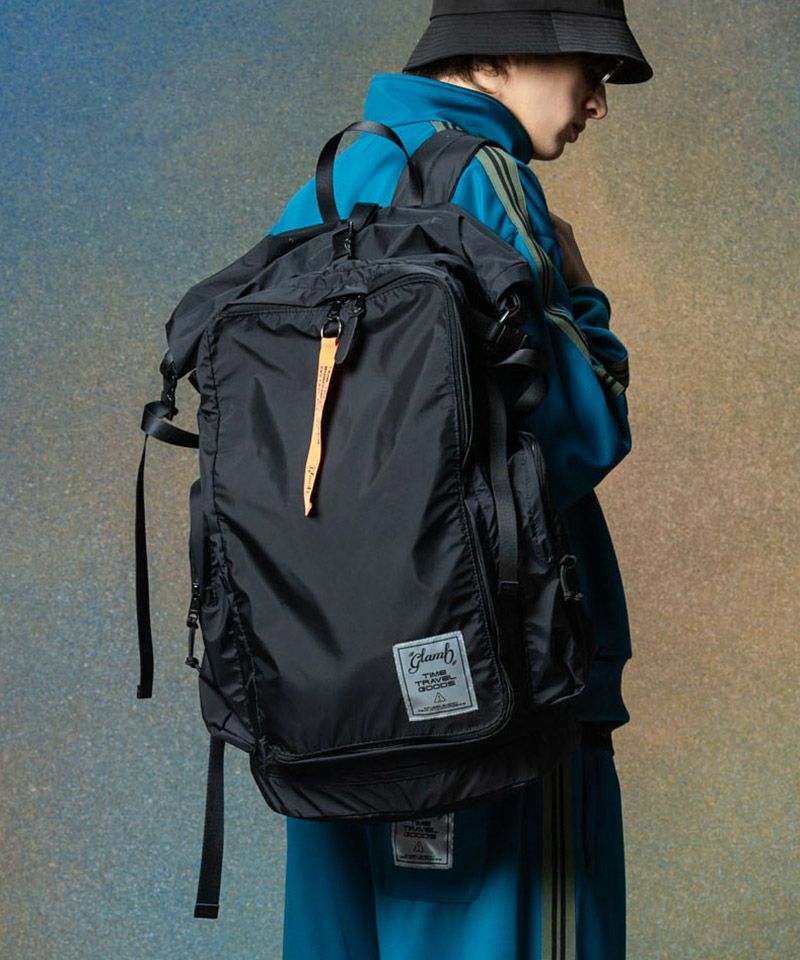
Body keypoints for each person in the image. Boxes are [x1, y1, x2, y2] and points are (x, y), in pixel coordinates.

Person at [266, 2, 653, 957]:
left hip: (325, 701)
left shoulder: (328, 182)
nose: (598, 103)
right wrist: (582, 293)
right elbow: (579, 431)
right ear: (499, 53)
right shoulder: (485, 177)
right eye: (590, 68)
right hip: (498, 692)